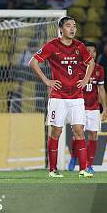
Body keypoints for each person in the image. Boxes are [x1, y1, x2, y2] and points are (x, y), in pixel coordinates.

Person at [29, 16, 94, 178]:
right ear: (61, 29)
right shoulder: (52, 46)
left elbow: (91, 63)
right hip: (58, 97)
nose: (72, 29)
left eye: (74, 26)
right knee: (56, 131)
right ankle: (53, 169)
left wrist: (85, 80)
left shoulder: (80, 46)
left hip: (77, 96)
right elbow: (33, 62)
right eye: (68, 26)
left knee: (79, 130)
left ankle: (84, 169)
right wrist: (47, 81)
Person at [68, 42, 107, 174]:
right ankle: (74, 157)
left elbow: (101, 89)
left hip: (94, 107)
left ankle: (88, 165)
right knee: (77, 135)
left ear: (96, 54)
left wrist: (105, 108)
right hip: (78, 106)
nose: (91, 53)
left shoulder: (99, 69)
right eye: (88, 51)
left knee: (93, 135)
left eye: (93, 51)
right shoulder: (77, 68)